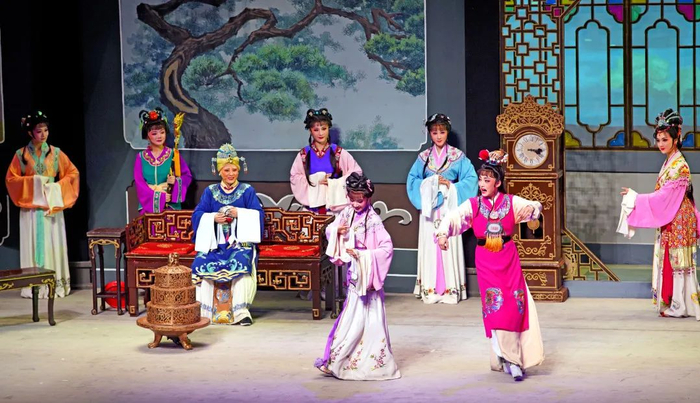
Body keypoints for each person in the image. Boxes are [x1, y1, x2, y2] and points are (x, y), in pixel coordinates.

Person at [436, 149, 544, 381]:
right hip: (486, 259)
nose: (482, 184)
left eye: (487, 180)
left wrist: (533, 210)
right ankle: (511, 360)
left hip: (508, 258)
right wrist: (443, 233)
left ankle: (504, 357)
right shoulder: (474, 204)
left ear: (498, 182)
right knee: (496, 307)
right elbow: (453, 217)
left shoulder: (511, 202)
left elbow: (535, 205)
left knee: (515, 307)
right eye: (481, 180)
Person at [314, 173, 400, 380]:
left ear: (368, 197)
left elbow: (386, 248)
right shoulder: (347, 213)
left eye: (359, 200)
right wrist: (338, 231)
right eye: (351, 199)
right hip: (354, 275)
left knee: (368, 322)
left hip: (367, 278)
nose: (355, 203)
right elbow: (331, 229)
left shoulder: (373, 220)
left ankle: (372, 364)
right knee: (350, 320)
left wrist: (363, 255)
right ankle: (337, 360)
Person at [619, 109, 700, 320]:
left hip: (680, 217)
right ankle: (675, 302)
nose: (661, 144)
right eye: (658, 140)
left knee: (678, 261)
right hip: (674, 216)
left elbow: (664, 197)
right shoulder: (670, 161)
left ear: (676, 138)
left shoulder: (679, 166)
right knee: (671, 260)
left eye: (665, 139)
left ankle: (681, 305)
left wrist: (636, 198)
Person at [5, 111, 79, 298]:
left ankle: (55, 283)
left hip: (50, 206)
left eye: (46, 130)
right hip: (31, 209)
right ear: (30, 133)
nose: (43, 134)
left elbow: (72, 174)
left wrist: (55, 187)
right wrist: (35, 183)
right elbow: (11, 179)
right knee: (32, 244)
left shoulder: (56, 153)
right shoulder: (21, 155)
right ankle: (33, 286)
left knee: (53, 243)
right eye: (39, 131)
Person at [406, 113, 477, 304]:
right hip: (429, 208)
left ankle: (451, 290)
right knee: (430, 246)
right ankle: (430, 289)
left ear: (448, 132)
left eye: (442, 132)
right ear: (430, 133)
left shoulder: (457, 156)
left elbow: (471, 179)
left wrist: (451, 186)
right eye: (434, 132)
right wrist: (428, 184)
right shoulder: (423, 157)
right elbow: (412, 180)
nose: (438, 136)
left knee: (449, 242)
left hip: (449, 204)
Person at [191, 144, 263, 326]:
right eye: (226, 170)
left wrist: (240, 214)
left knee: (242, 262)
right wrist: (213, 218)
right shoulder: (210, 192)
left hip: (239, 242)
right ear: (219, 171)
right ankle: (205, 311)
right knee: (201, 262)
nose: (231, 174)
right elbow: (198, 214)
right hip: (215, 243)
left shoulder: (247, 190)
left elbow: (258, 214)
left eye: (234, 170)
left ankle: (240, 311)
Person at [290, 108, 362, 214]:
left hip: (335, 212)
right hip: (311, 212)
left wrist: (334, 182)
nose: (320, 133)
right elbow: (295, 177)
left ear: (328, 128)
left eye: (324, 129)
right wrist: (314, 179)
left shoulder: (338, 152)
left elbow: (356, 173)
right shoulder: (304, 154)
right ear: (310, 131)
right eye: (316, 130)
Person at [133, 108, 192, 214]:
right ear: (147, 136)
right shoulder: (141, 157)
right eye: (154, 133)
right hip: (148, 206)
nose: (159, 136)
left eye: (162, 132)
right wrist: (160, 197)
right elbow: (140, 183)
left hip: (170, 205)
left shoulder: (173, 154)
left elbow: (187, 176)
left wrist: (175, 182)